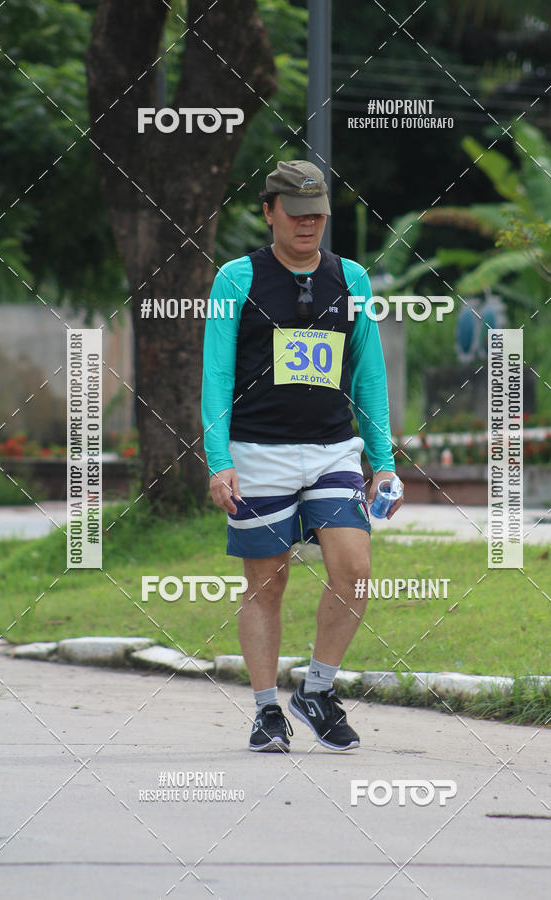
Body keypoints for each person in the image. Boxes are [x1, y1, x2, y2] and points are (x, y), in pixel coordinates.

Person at [202, 159, 402, 753]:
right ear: (269, 212)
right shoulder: (236, 279)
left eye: (317, 215)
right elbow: (215, 375)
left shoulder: (353, 280)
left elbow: (368, 371)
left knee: (355, 571)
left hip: (332, 450)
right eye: (296, 215)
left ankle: (317, 690)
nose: (307, 226)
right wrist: (219, 460)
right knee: (267, 584)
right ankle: (267, 711)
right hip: (256, 454)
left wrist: (383, 460)